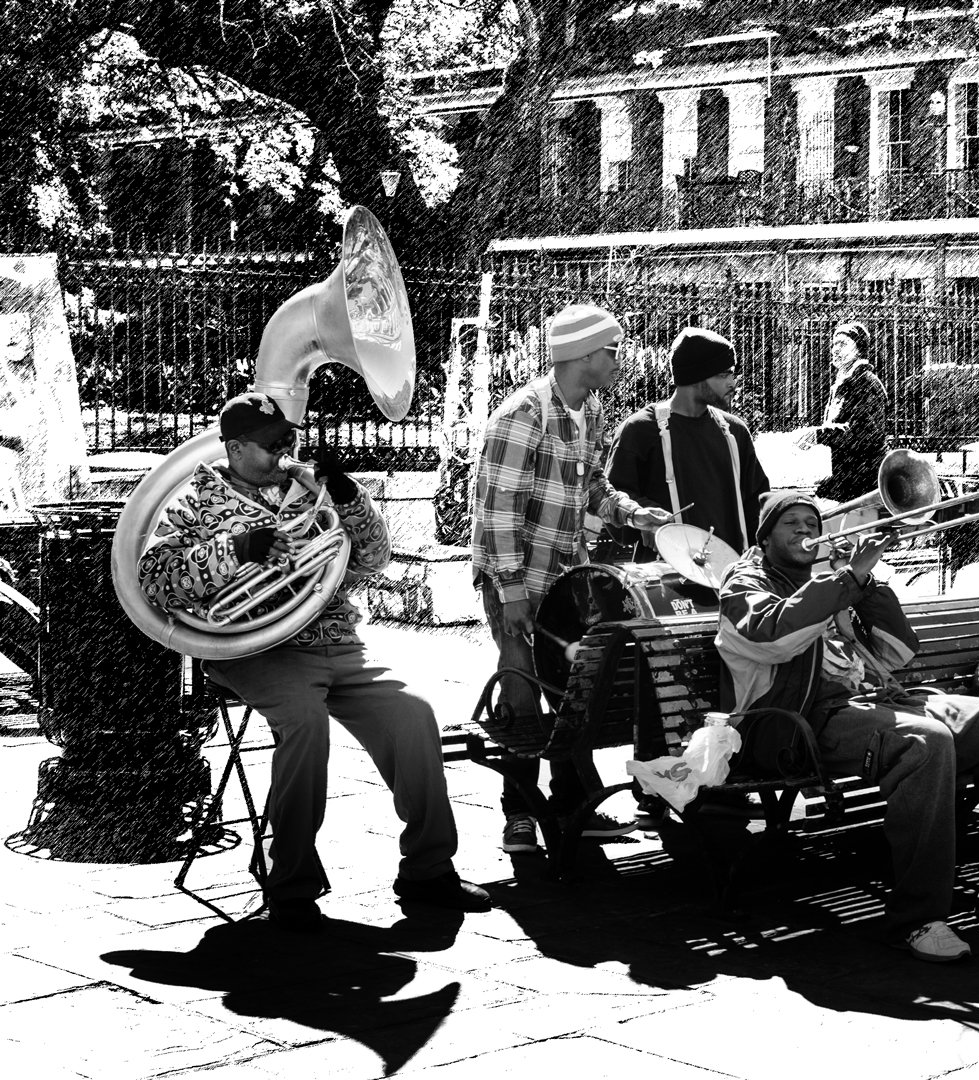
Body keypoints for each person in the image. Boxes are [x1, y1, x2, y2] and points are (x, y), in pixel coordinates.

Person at [138, 392, 490, 932]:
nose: (287, 451)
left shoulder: (312, 491)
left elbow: (373, 560)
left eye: (290, 440)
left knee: (414, 714)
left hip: (336, 642)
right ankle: (293, 882)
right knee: (304, 722)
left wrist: (349, 495)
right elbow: (156, 581)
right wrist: (237, 549)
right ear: (234, 447)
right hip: (254, 648)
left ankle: (428, 868)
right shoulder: (194, 501)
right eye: (272, 444)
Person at [716, 491, 979, 963]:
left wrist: (865, 582)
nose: (806, 532)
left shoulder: (830, 582)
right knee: (926, 743)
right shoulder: (744, 585)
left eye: (812, 523)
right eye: (791, 523)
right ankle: (917, 919)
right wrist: (846, 580)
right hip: (801, 724)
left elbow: (897, 651)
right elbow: (773, 637)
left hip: (880, 702)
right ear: (765, 537)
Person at [471, 303, 674, 855]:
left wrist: (635, 515)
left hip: (563, 578)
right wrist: (511, 590)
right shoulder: (523, 414)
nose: (619, 358)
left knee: (570, 683)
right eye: (612, 350)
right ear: (582, 354)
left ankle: (571, 804)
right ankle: (519, 815)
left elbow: (592, 490)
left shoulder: (590, 409)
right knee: (521, 682)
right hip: (517, 576)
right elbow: (497, 510)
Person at [607, 326, 771, 561]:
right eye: (723, 375)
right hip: (666, 581)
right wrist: (646, 517)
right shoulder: (641, 429)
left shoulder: (734, 432)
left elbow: (758, 503)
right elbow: (612, 497)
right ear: (695, 377)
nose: (732, 384)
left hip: (731, 579)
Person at [799, 321, 888, 508]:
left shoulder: (865, 383)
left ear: (858, 350)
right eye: (834, 344)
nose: (835, 349)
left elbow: (863, 434)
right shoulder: (841, 385)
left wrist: (819, 435)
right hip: (845, 479)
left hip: (862, 484)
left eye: (842, 344)